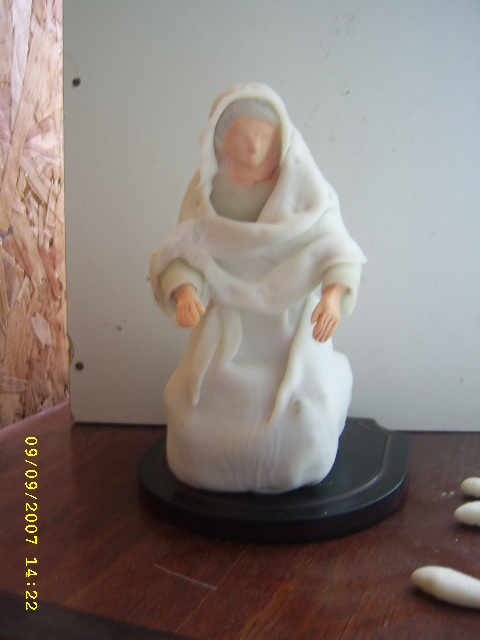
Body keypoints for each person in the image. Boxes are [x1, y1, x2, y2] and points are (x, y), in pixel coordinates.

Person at [150, 83, 366, 493]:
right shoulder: (205, 194)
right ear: (220, 140)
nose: (253, 146)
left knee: (304, 416)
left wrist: (333, 297)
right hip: (227, 325)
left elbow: (334, 246)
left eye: (263, 137)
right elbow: (185, 250)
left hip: (290, 325)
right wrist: (185, 292)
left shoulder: (303, 190)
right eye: (243, 136)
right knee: (194, 418)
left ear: (280, 140)